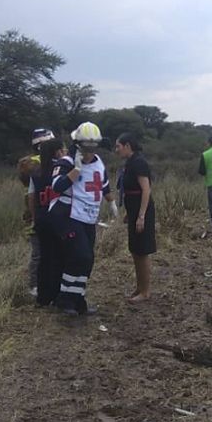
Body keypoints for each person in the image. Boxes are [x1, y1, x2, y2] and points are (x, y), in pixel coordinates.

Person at [48, 122, 118, 316]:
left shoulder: (98, 162)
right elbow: (57, 187)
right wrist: (76, 171)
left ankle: (78, 300)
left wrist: (111, 203)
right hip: (67, 216)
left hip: (88, 217)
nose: (89, 152)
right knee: (80, 256)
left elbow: (103, 184)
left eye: (93, 147)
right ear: (77, 145)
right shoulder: (66, 162)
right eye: (86, 148)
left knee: (88, 260)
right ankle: (65, 300)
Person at [115, 133, 156, 303]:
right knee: (135, 250)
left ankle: (145, 292)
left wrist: (141, 216)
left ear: (127, 146)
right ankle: (139, 288)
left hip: (142, 211)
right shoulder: (130, 162)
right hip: (133, 209)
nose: (116, 149)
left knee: (142, 250)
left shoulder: (139, 162)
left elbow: (146, 190)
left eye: (118, 146)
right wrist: (129, 213)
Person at [19, 128, 56, 297]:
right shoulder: (33, 164)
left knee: (46, 252)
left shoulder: (41, 162)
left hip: (45, 212)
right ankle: (34, 285)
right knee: (39, 253)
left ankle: (44, 283)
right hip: (38, 213)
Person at [30, 137, 65, 308]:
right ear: (57, 151)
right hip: (57, 218)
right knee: (59, 257)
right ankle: (57, 295)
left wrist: (34, 218)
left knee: (44, 258)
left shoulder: (36, 171)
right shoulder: (60, 169)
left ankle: (43, 298)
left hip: (41, 219)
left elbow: (31, 196)